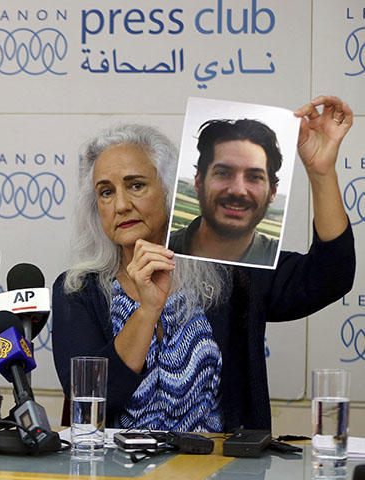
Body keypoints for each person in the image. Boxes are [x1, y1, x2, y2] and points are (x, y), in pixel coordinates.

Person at [52, 96, 355, 432]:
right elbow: (91, 398)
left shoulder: (228, 268)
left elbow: (331, 276)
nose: (121, 204)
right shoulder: (78, 288)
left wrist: (321, 172)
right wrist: (147, 310)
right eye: (106, 192)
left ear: (168, 190)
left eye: (136, 185)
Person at [169, 119, 283, 266]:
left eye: (254, 177)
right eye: (223, 173)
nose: (238, 190)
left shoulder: (282, 264)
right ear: (199, 182)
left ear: (272, 192)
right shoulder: (160, 250)